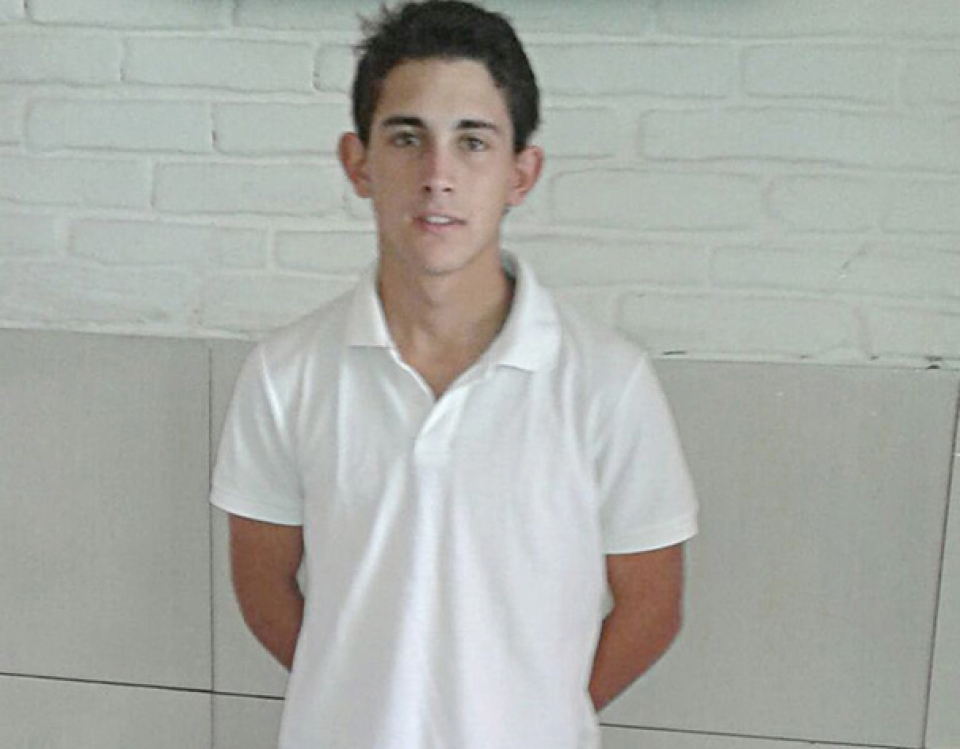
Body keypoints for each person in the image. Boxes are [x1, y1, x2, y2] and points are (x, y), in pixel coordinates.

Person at [210, 2, 698, 747]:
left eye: (473, 142)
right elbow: (261, 587)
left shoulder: (607, 382)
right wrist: (363, 699)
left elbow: (652, 607)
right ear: (358, 162)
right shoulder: (285, 374)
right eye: (407, 138)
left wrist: (530, 716)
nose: (438, 176)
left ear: (521, 173)